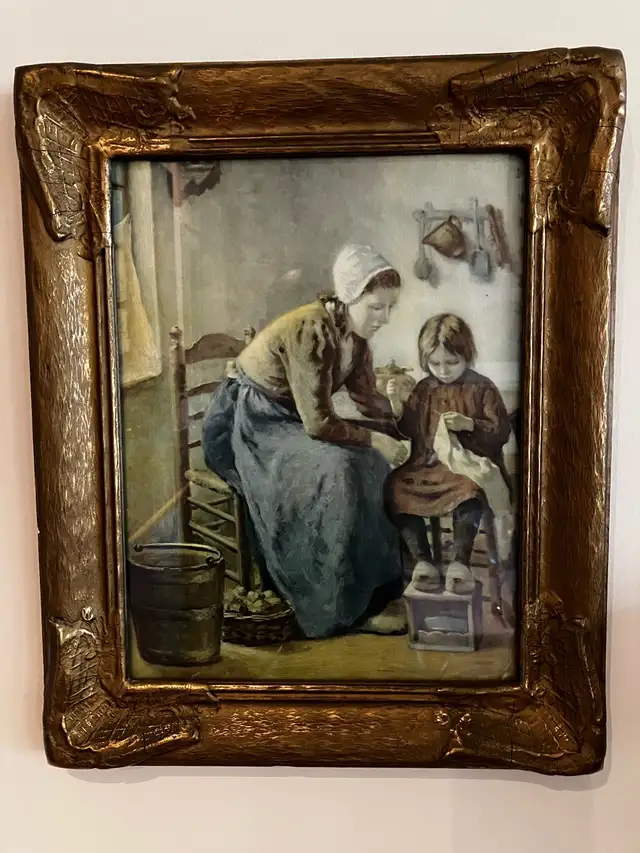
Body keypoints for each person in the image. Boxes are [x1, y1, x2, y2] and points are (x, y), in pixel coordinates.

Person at [202, 244, 409, 638]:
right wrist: (376, 439)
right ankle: (337, 605)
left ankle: (375, 594)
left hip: (293, 418)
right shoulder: (311, 330)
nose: (384, 318)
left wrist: (398, 411)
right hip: (253, 421)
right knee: (337, 469)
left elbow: (367, 399)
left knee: (372, 464)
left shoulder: (357, 340)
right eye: (376, 307)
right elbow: (319, 424)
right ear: (350, 297)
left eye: (390, 308)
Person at [385, 313, 511, 595]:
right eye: (435, 363)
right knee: (395, 486)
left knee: (470, 488)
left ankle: (460, 563)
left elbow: (501, 431)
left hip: (468, 465)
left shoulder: (481, 387)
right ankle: (423, 561)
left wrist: (470, 424)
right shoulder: (424, 388)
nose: (443, 370)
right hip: (426, 466)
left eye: (452, 362)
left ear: (467, 354)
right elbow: (409, 430)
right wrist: (396, 404)